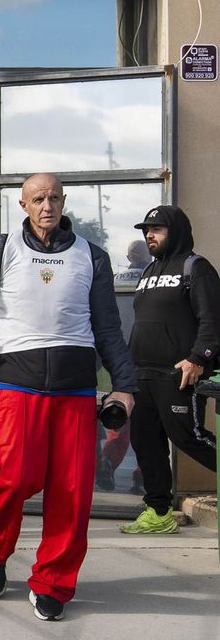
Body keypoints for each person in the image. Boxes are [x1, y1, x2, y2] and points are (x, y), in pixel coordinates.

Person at [0, 173, 136, 622]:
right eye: (38, 199)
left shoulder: (91, 256)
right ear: (23, 204)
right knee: (13, 480)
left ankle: (52, 583)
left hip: (75, 389)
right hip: (19, 384)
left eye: (53, 197)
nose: (46, 205)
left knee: (71, 495)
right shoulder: (5, 247)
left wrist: (125, 386)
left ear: (63, 201)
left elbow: (108, 328)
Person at [123, 205, 219, 535]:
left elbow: (212, 320)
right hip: (142, 374)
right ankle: (159, 512)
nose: (149, 234)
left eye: (157, 229)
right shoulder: (149, 271)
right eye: (146, 229)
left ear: (174, 231)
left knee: (189, 437)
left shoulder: (197, 268)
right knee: (145, 442)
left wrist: (197, 358)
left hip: (179, 373)